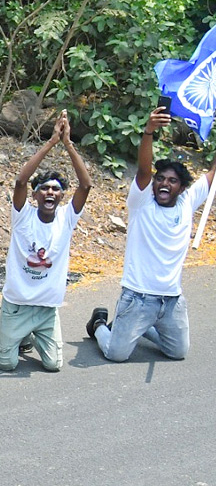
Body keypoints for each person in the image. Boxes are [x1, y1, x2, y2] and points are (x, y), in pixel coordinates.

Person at [86, 106, 216, 361]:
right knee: (116, 354)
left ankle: (139, 330)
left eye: (172, 181)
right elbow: (144, 170)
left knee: (178, 352)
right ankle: (101, 324)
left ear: (181, 188)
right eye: (161, 179)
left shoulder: (187, 202)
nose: (164, 184)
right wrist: (148, 132)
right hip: (138, 297)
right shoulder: (142, 202)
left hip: (171, 301)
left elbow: (212, 173)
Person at [0, 111, 92, 371]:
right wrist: (50, 143)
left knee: (53, 365)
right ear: (35, 195)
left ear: (61, 196)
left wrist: (68, 144)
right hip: (17, 304)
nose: (50, 192)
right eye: (44, 188)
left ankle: (33, 334)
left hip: (47, 308)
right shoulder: (22, 217)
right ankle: (17, 333)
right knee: (6, 364)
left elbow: (85, 186)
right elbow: (20, 180)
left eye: (56, 189)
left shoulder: (66, 219)